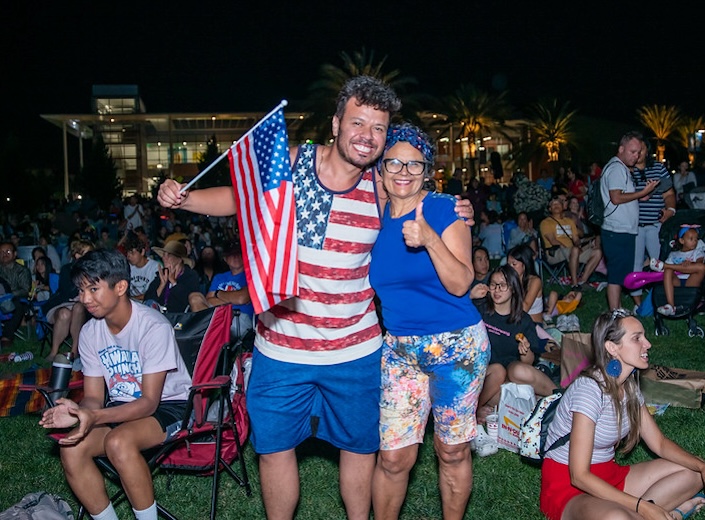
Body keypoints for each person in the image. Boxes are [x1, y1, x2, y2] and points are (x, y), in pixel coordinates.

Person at [157, 75, 473, 519]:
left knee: (359, 448)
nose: (367, 136)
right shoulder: (293, 162)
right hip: (281, 346)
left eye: (378, 127)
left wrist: (459, 209)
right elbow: (241, 198)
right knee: (275, 449)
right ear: (335, 123)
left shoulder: (380, 187)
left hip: (355, 348)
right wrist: (185, 198)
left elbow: (420, 197)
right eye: (358, 122)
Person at [368, 123, 489, 520]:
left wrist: (430, 239)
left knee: (451, 450)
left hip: (457, 346)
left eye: (414, 164)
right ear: (381, 168)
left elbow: (461, 283)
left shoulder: (444, 208)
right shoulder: (372, 214)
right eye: (395, 163)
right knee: (392, 457)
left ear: (427, 170)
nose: (404, 171)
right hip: (400, 349)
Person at [39, 249, 192, 520]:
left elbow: (149, 402)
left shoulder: (152, 327)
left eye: (94, 289)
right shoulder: (89, 332)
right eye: (81, 290)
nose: (85, 298)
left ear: (120, 286)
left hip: (170, 406)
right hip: (119, 406)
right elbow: (95, 397)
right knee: (72, 447)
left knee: (119, 442)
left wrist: (95, 415)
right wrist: (79, 412)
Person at [540, 308, 705, 520]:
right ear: (612, 347)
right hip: (569, 486)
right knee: (616, 518)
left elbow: (660, 444)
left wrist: (701, 466)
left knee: (692, 472)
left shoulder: (629, 387)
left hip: (609, 475)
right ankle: (667, 513)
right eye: (637, 338)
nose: (648, 344)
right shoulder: (589, 390)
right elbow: (579, 476)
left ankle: (654, 513)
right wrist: (643, 506)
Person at [473, 266, 556, 451]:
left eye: (503, 285)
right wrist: (470, 296)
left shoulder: (523, 320)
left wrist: (525, 350)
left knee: (517, 370)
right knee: (498, 371)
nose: (497, 290)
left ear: (513, 289)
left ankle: (559, 396)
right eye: (493, 285)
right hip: (484, 378)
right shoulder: (480, 309)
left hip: (508, 383)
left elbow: (528, 363)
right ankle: (473, 411)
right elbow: (453, 309)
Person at [600, 131, 660, 310]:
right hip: (617, 230)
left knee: (619, 275)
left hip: (622, 230)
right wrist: (643, 192)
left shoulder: (621, 168)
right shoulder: (617, 168)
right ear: (621, 149)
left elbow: (622, 196)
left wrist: (639, 198)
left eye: (639, 152)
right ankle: (615, 314)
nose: (637, 156)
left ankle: (618, 310)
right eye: (633, 152)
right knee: (616, 277)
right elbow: (616, 198)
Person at [630, 140, 677, 308]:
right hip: (634, 226)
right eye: (635, 150)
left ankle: (659, 297)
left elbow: (669, 193)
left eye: (641, 149)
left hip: (655, 224)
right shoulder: (627, 170)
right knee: (634, 264)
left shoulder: (658, 168)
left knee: (659, 262)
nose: (638, 153)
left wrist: (670, 210)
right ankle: (638, 302)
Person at [188, 240, 254, 338]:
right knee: (194, 296)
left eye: (239, 254)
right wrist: (232, 299)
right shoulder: (219, 277)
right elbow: (208, 300)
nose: (236, 257)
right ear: (225, 259)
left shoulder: (251, 275)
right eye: (231, 255)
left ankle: (208, 336)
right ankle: (208, 334)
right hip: (216, 315)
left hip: (238, 317)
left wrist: (217, 293)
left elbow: (242, 298)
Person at [42, 239, 95, 360]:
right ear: (77, 255)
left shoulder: (94, 271)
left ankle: (74, 351)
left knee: (78, 307)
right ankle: (54, 352)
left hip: (83, 306)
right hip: (63, 303)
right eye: (86, 254)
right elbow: (66, 292)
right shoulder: (67, 269)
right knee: (64, 313)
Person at [540, 196, 603, 290]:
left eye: (558, 203)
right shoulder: (546, 223)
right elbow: (553, 241)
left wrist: (579, 245)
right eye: (553, 204)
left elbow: (576, 239)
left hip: (573, 252)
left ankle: (582, 280)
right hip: (555, 252)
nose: (556, 205)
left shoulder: (569, 222)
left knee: (597, 252)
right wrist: (574, 249)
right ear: (550, 209)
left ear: (563, 207)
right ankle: (574, 283)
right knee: (574, 250)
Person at [650, 226, 705, 316]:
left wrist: (691, 263)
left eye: (696, 239)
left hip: (691, 281)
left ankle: (664, 265)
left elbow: (699, 264)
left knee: (701, 267)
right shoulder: (673, 254)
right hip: (677, 281)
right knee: (668, 271)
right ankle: (671, 306)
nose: (694, 242)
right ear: (682, 240)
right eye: (691, 239)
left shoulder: (697, 252)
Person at [144, 240, 200, 313]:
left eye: (169, 255)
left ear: (179, 259)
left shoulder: (190, 276)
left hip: (179, 318)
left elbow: (188, 300)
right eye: (164, 255)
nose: (165, 258)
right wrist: (161, 285)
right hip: (159, 317)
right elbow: (148, 300)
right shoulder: (161, 275)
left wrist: (174, 282)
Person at [0, 240, 31, 346]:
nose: (4, 255)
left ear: (14, 254)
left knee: (16, 305)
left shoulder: (22, 270)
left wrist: (8, 294)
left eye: (7, 252)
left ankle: (6, 336)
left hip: (16, 298)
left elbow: (25, 290)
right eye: (2, 252)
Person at [507, 244, 544, 323]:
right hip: (515, 323)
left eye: (514, 264)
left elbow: (525, 308)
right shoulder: (508, 280)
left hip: (533, 326)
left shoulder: (535, 281)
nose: (510, 268)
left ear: (524, 265)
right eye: (508, 264)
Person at [122, 231, 160, 302]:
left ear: (142, 252)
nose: (129, 257)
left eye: (132, 253)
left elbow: (156, 292)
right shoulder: (127, 267)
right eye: (127, 254)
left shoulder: (155, 267)